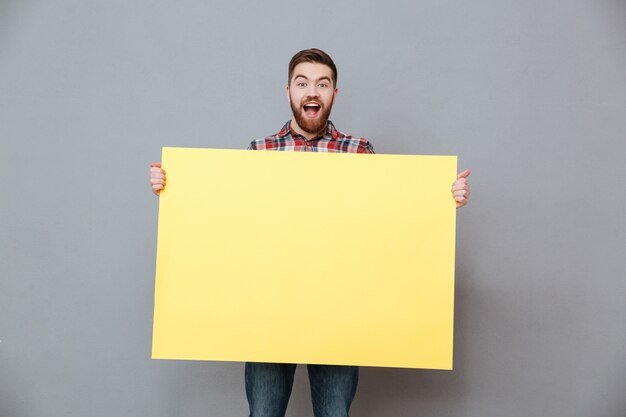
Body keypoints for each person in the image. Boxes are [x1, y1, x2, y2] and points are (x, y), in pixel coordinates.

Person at [149, 48, 471, 417]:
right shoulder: (259, 151)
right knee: (263, 415)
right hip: (268, 311)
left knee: (334, 414)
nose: (312, 92)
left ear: (335, 93)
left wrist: (443, 199)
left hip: (340, 313)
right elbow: (228, 220)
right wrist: (173, 187)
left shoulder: (359, 152)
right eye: (303, 84)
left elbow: (388, 224)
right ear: (288, 92)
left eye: (322, 84)